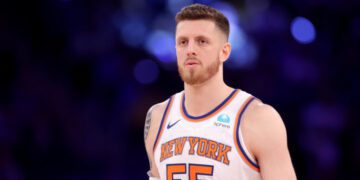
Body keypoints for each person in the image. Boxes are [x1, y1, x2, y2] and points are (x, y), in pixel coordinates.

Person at [144, 4, 296, 180]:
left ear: (224, 52)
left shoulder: (258, 118)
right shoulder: (157, 117)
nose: (190, 50)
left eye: (202, 41)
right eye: (183, 42)